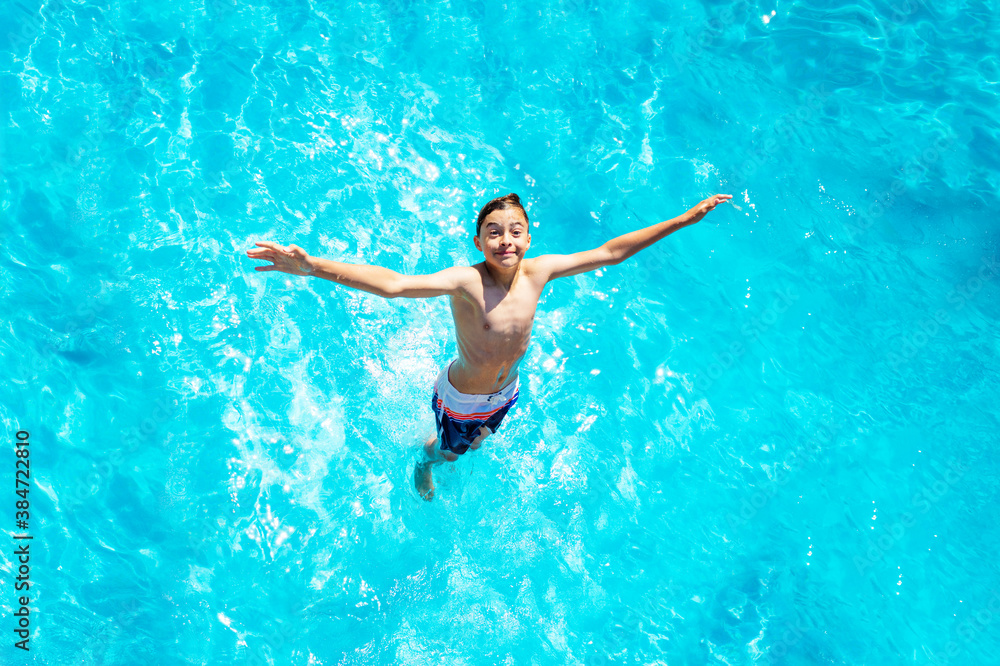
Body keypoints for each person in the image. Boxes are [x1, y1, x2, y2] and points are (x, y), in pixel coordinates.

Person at [247, 192, 732, 500]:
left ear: (528, 237)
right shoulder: (466, 281)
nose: (506, 240)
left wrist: (682, 220)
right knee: (452, 453)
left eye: (515, 231)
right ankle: (425, 461)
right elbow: (393, 284)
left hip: (505, 392)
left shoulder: (539, 271)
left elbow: (611, 252)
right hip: (462, 399)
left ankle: (453, 446)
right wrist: (312, 266)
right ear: (479, 241)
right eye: (494, 233)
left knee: (480, 443)